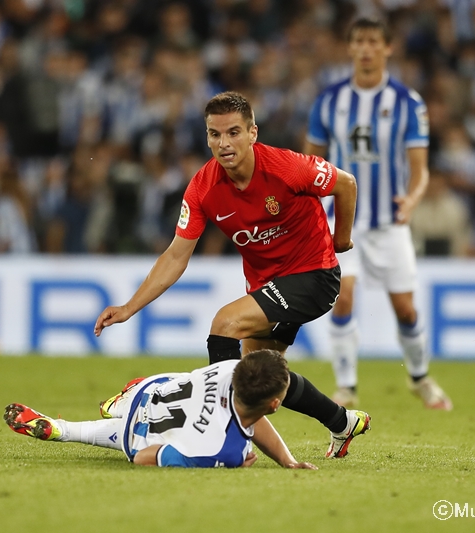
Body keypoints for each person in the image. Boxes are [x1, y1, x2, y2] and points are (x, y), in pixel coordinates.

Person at [94, 91, 370, 458]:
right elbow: (176, 255)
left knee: (224, 323)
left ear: (253, 133)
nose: (223, 143)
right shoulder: (203, 188)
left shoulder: (288, 167)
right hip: (267, 284)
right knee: (258, 379)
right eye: (214, 134)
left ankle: (221, 435)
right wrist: (130, 307)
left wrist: (343, 239)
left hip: (314, 275)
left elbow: (346, 184)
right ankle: (341, 422)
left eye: (234, 132)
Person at [304, 18, 453, 410]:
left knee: (405, 308)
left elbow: (419, 167)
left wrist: (413, 198)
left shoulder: (408, 102)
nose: (366, 48)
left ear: (388, 48)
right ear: (350, 48)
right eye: (359, 41)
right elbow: (310, 163)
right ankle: (346, 387)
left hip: (389, 222)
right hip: (343, 220)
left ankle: (419, 377)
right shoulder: (328, 101)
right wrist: (310, 209)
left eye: (374, 41)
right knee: (343, 297)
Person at [4, 349, 318, 469]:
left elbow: (250, 415)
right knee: (149, 437)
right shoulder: (224, 451)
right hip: (136, 436)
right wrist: (230, 462)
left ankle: (118, 403)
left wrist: (287, 461)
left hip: (152, 389)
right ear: (275, 403)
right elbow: (144, 458)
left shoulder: (233, 369)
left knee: (173, 389)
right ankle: (71, 430)